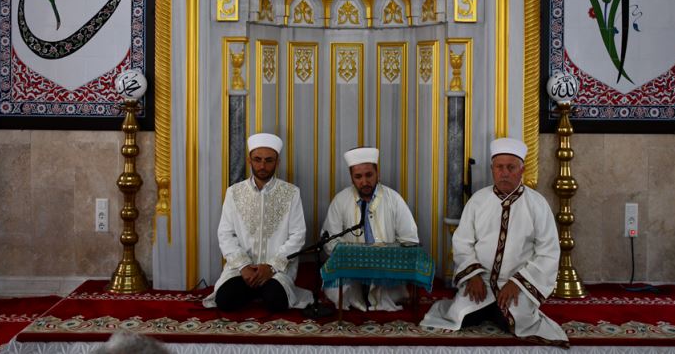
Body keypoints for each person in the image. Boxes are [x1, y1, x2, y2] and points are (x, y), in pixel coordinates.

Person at [420, 137, 569, 347]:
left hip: (517, 285)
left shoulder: (537, 205)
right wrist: (473, 276)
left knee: (517, 322)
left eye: (511, 167)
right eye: (499, 167)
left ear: (522, 170)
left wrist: (518, 282)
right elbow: (462, 242)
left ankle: (500, 309)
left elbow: (548, 252)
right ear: (492, 169)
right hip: (481, 282)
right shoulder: (478, 201)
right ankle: (486, 306)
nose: (505, 172)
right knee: (461, 317)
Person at [203, 133, 312, 312]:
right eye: (257, 159)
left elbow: (298, 235)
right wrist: (244, 266)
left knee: (276, 301)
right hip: (240, 270)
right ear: (249, 160)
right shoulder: (234, 193)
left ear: (277, 162)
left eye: (269, 160)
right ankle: (252, 287)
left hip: (276, 272)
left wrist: (271, 267)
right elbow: (225, 234)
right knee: (225, 300)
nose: (262, 166)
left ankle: (260, 290)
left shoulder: (291, 193)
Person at [321, 146, 419, 311]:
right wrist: (352, 255)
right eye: (358, 176)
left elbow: (410, 240)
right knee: (338, 286)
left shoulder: (393, 199)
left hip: (385, 267)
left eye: (369, 175)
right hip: (352, 267)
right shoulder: (341, 200)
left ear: (377, 173)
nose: (364, 182)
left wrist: (386, 255)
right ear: (351, 177)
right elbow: (329, 239)